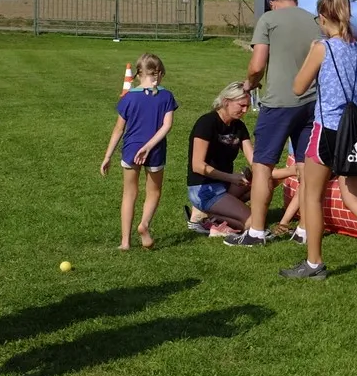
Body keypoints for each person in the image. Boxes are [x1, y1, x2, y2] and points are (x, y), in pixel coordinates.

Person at [279, 0, 357, 283]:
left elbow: (298, 87)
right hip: (353, 133)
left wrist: (314, 59)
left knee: (312, 196)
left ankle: (314, 263)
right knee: (353, 196)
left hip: (326, 130)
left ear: (323, 18)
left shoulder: (322, 48)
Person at [231, 0, 321, 247]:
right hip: (312, 102)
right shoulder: (315, 21)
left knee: (262, 165)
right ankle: (305, 229)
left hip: (279, 103)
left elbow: (257, 65)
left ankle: (256, 231)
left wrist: (250, 83)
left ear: (272, 3)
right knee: (306, 167)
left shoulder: (268, 19)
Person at [99, 53, 177, 250]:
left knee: (129, 193)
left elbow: (118, 129)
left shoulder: (128, 97)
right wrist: (149, 146)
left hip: (131, 149)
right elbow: (167, 126)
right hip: (155, 149)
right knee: (154, 191)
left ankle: (125, 242)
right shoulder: (166, 96)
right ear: (159, 73)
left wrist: (107, 156)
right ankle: (144, 224)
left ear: (138, 73)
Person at [186, 81, 254, 234]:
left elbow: (254, 160)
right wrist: (230, 177)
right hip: (204, 188)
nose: (245, 110)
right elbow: (197, 166)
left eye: (247, 106)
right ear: (226, 101)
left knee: (262, 181)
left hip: (224, 185)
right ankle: (208, 216)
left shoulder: (239, 126)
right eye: (241, 105)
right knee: (253, 222)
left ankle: (209, 217)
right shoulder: (207, 123)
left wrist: (283, 172)